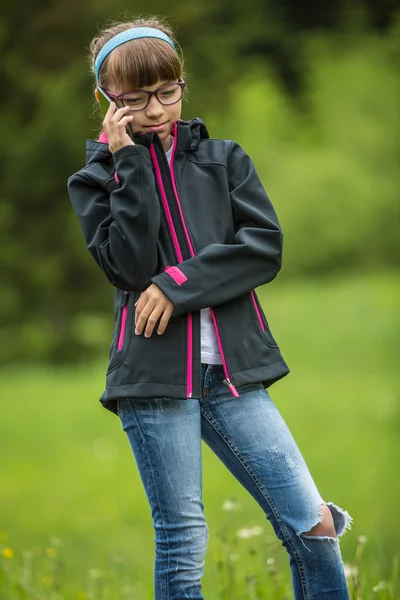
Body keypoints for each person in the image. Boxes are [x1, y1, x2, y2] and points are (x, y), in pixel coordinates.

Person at [67, 16, 352, 600]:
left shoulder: (224, 159)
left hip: (232, 375)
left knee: (315, 526)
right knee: (183, 543)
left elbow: (261, 248)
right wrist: (130, 167)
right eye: (136, 99)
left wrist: (176, 283)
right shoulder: (96, 179)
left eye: (167, 93)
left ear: (181, 84)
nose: (154, 111)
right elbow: (124, 266)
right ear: (107, 100)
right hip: (153, 379)